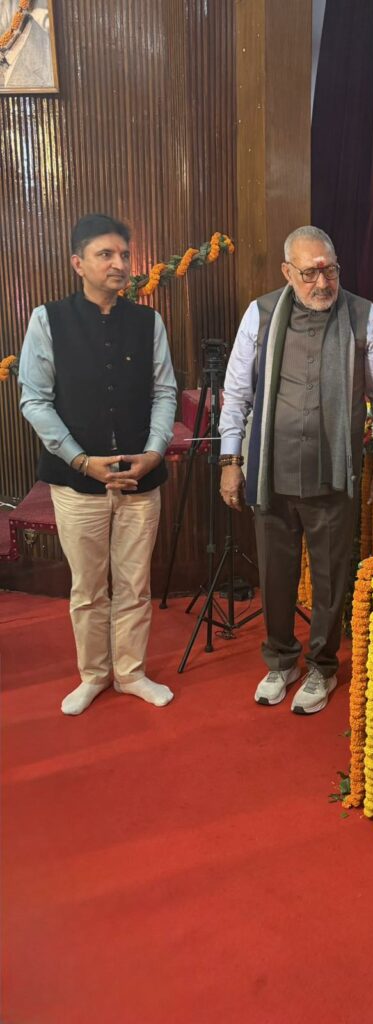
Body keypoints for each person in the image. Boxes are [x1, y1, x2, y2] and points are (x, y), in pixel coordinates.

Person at [219, 225, 373, 715]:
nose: (322, 283)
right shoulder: (260, 314)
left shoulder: (364, 316)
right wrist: (231, 461)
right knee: (276, 577)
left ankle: (322, 666)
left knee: (329, 580)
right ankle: (281, 661)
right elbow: (236, 393)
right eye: (310, 273)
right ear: (287, 272)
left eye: (330, 270)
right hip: (271, 474)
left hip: (332, 477)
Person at [19, 213, 178, 715]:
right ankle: (93, 675)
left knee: (135, 585)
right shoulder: (48, 320)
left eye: (124, 254)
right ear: (78, 263)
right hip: (76, 481)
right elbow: (34, 400)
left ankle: (130, 673)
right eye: (105, 254)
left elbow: (165, 392)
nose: (119, 264)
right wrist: (80, 460)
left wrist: (153, 453)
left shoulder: (148, 322)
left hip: (141, 479)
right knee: (88, 589)